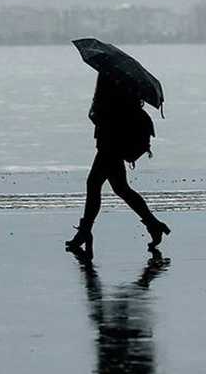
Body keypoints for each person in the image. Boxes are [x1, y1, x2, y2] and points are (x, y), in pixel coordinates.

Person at [65, 74, 170, 256]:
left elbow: (107, 113)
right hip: (113, 141)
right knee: (120, 188)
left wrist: (96, 112)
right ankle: (153, 224)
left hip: (110, 141)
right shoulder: (124, 80)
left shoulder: (110, 79)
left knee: (96, 184)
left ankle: (85, 232)